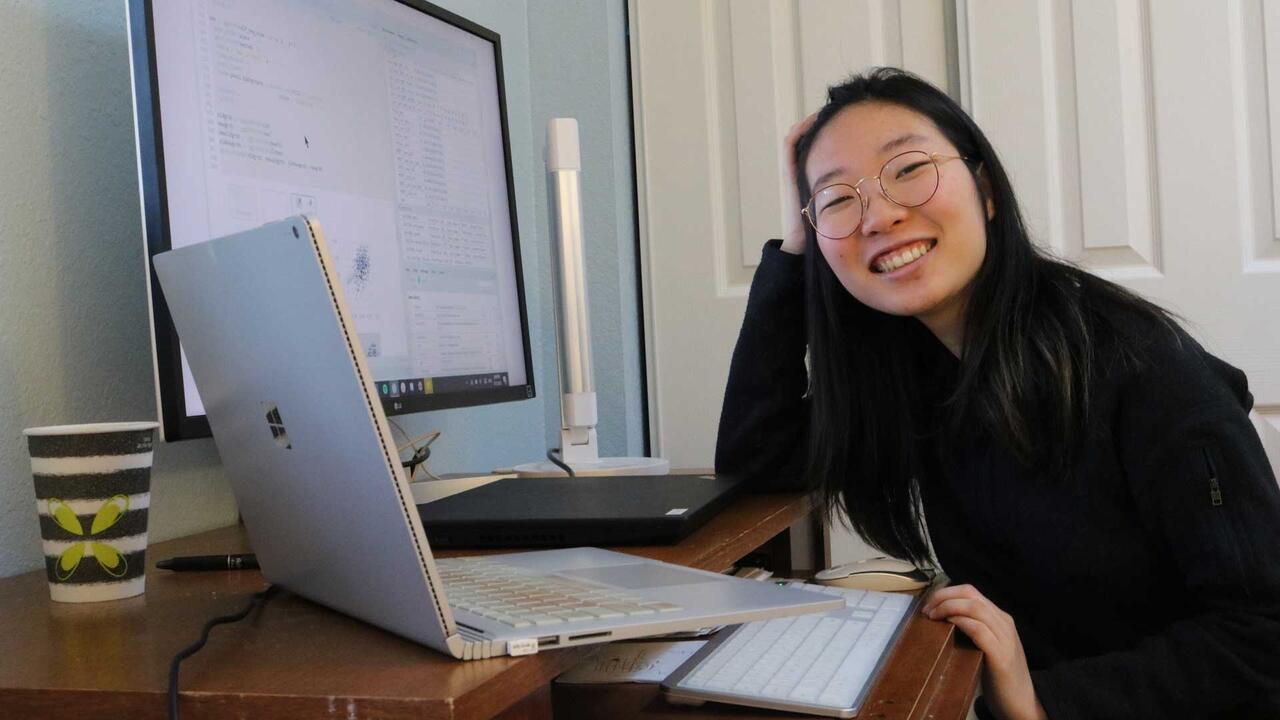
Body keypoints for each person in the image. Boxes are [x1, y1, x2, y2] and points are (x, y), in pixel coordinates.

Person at [716, 67, 1280, 720]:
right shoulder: (916, 374)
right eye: (839, 200)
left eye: (908, 169)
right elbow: (758, 461)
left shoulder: (1146, 371)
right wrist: (793, 246)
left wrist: (1038, 698)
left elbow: (1262, 640)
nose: (880, 216)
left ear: (984, 190)